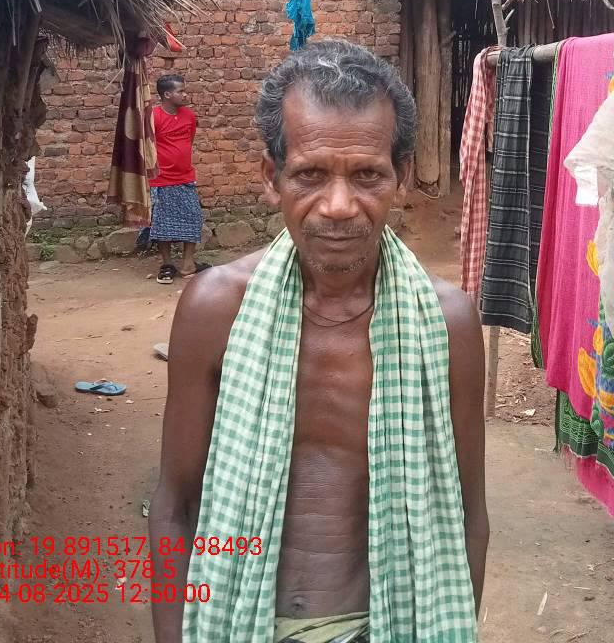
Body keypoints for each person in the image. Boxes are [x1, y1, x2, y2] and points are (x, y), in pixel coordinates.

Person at [150, 41, 488, 643]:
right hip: (237, 624)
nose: (338, 206)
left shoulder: (447, 323)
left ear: (400, 177)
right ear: (271, 177)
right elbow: (174, 507)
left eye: (367, 175)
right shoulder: (215, 310)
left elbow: (467, 517)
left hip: (391, 627)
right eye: (310, 175)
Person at [151, 74, 208, 283]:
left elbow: (189, 140)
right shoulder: (153, 117)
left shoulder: (189, 116)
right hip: (161, 179)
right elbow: (147, 146)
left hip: (185, 177)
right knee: (162, 224)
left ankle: (188, 264)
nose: (185, 94)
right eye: (180, 91)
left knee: (193, 218)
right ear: (167, 94)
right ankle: (167, 264)